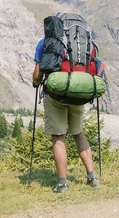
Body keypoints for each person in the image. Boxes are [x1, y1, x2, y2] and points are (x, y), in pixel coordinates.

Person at [32, 36, 101, 192]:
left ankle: (63, 183)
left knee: (58, 137)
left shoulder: (47, 41)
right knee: (78, 133)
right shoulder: (83, 41)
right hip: (78, 92)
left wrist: (36, 83)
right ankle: (92, 177)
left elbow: (38, 72)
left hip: (55, 94)